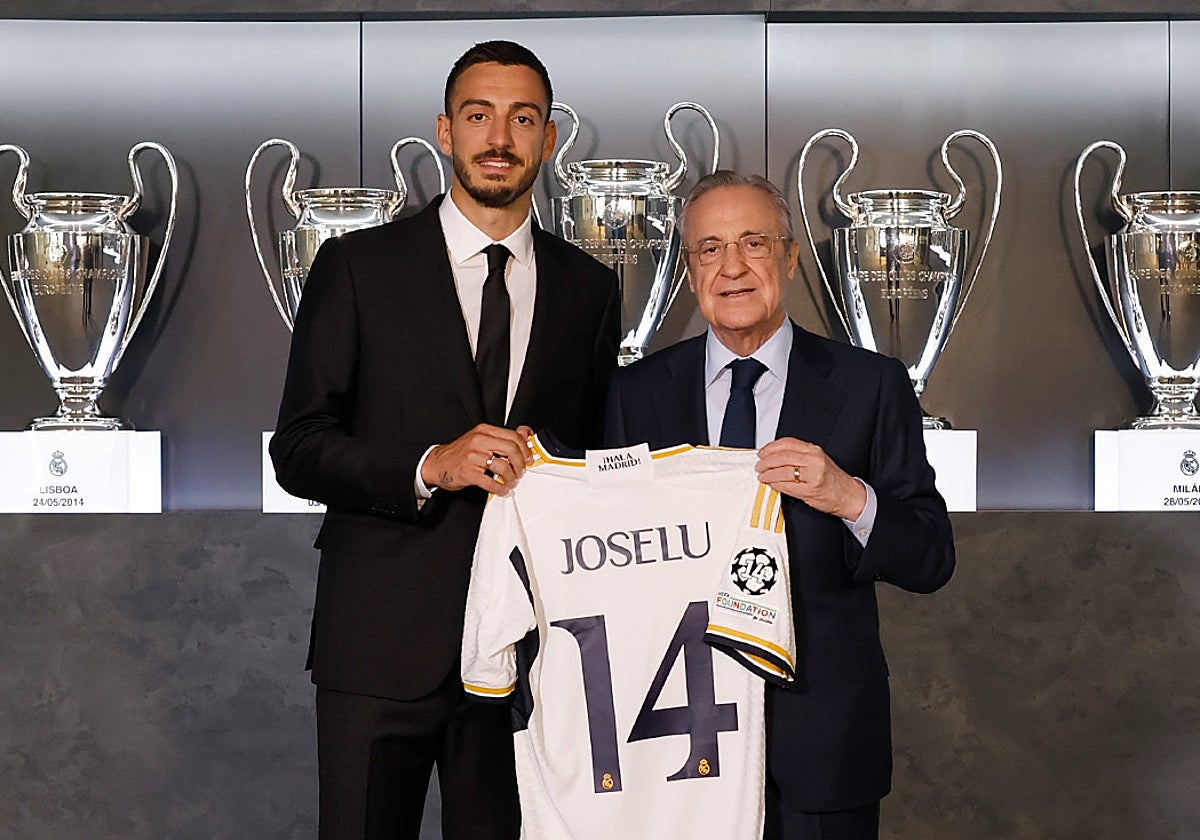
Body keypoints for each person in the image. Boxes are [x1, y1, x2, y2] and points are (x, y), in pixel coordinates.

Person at [271, 40, 620, 840]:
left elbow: (599, 457)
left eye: (522, 117)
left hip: (530, 658)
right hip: (379, 648)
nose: (499, 137)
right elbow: (297, 446)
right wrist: (432, 465)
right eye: (479, 115)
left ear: (550, 138)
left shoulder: (590, 289)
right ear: (444, 129)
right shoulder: (356, 267)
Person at [603, 170, 954, 840]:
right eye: (709, 249)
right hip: (676, 742)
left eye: (753, 244)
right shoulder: (633, 394)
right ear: (688, 268)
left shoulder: (871, 385)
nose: (731, 268)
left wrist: (849, 497)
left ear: (789, 257)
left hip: (821, 750)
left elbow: (931, 557)